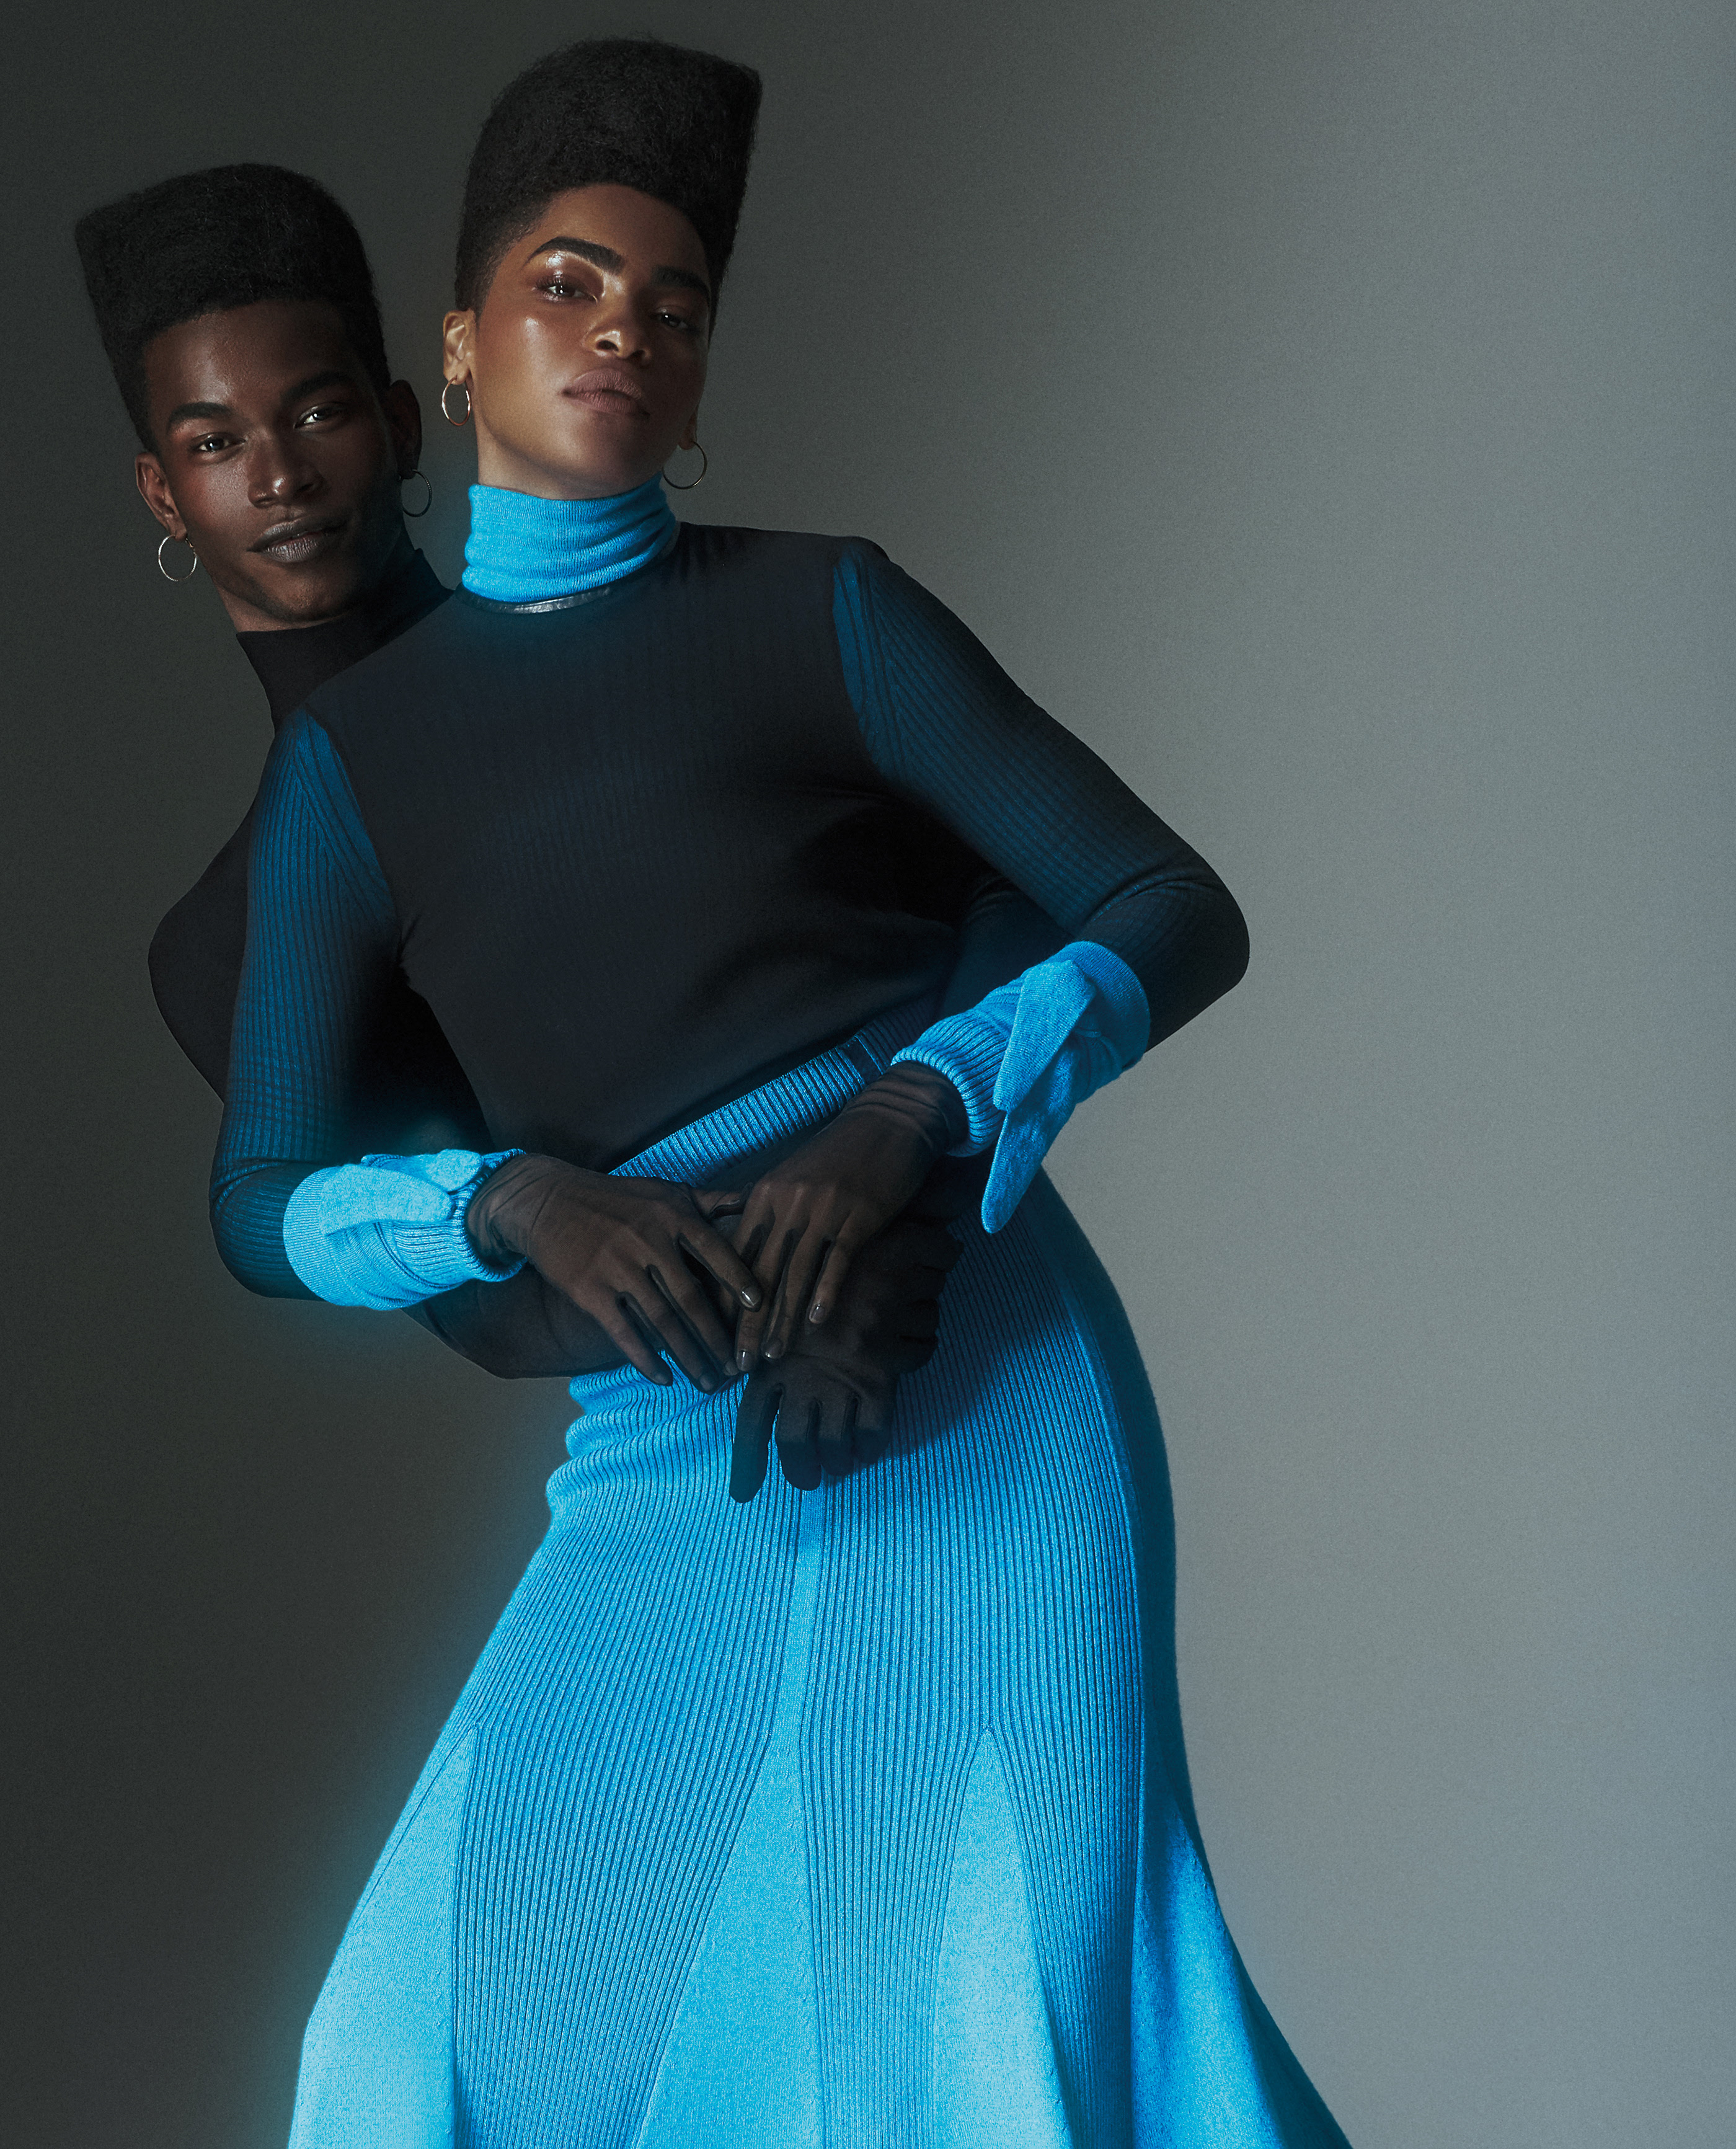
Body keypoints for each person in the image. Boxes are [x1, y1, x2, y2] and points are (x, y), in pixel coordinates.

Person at [210, 37, 1350, 2147]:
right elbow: (262, 1196)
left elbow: (1165, 905)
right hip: (665, 1423)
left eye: (673, 305)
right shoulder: (354, 767)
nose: (622, 334)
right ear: (457, 347)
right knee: (404, 2049)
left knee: (980, 2015)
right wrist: (501, 1201)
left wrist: (906, 1121)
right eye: (567, 284)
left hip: (980, 1383)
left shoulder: (823, 611)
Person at [76, 161, 984, 1433]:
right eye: (215, 443)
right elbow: (483, 1311)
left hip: (948, 1300)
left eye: (319, 411)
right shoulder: (226, 939)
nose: (279, 477)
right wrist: (763, 1306)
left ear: (401, 423)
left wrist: (907, 1205)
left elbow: (1008, 920)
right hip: (695, 1401)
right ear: (162, 494)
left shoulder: (685, 638)